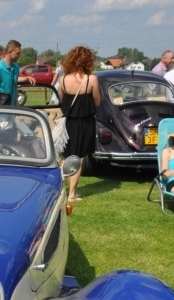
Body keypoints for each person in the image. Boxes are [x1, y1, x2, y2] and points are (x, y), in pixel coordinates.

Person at [58, 46, 100, 202]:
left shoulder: (63, 79)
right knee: (79, 157)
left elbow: (62, 101)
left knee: (65, 156)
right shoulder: (92, 79)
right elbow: (97, 101)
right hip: (85, 123)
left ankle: (60, 189)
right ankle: (72, 194)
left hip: (68, 123)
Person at [0, 40, 36, 106]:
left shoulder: (15, 67)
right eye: (18, 53)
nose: (20, 55)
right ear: (9, 52)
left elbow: (14, 85)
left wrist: (17, 104)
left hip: (11, 110)